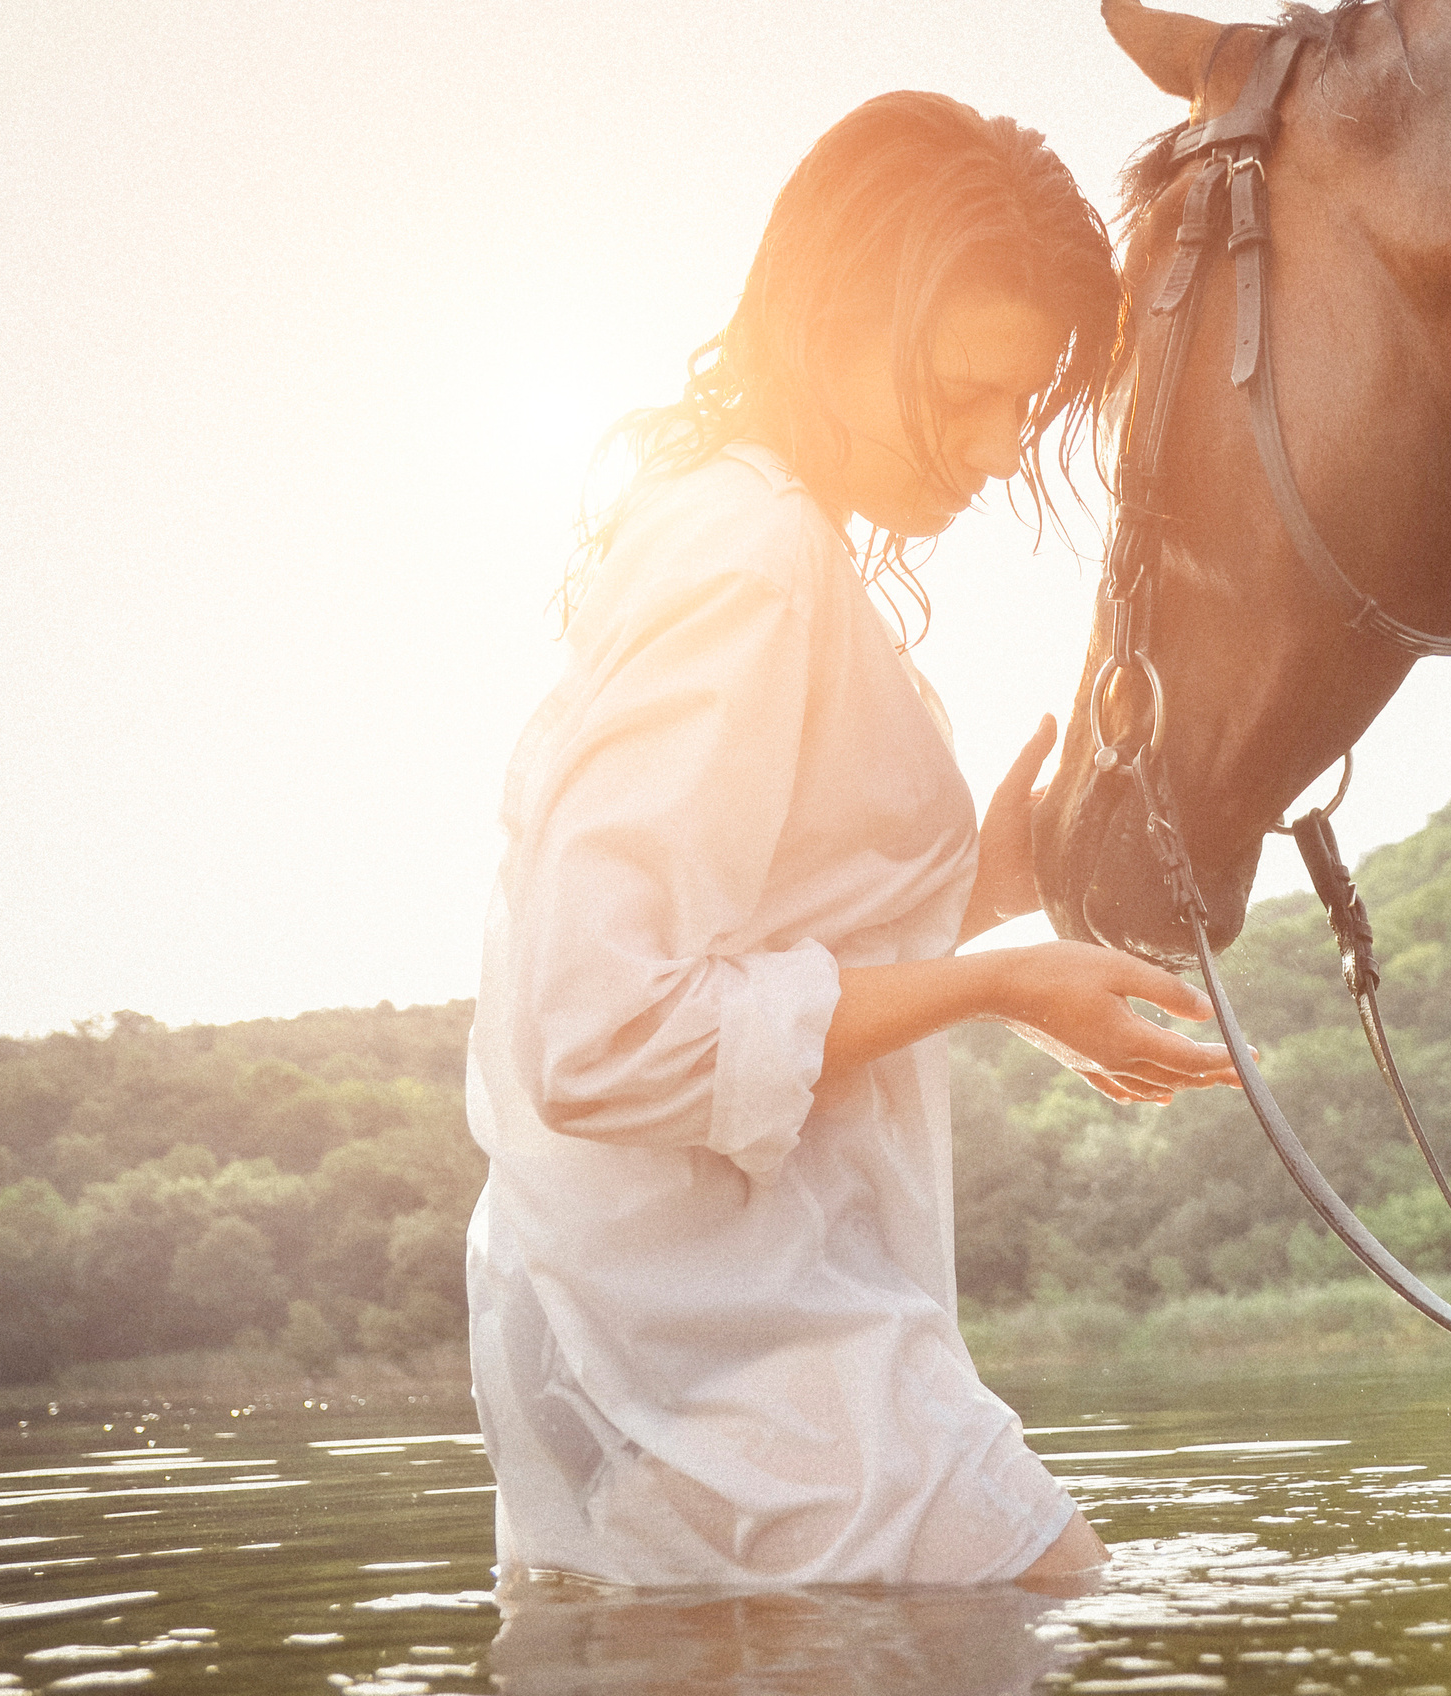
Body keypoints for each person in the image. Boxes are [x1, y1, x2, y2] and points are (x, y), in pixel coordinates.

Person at [462, 91, 1238, 1593]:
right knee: (1065, 1606)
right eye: (968, 394)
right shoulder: (747, 559)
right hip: (733, 1347)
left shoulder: (751, 529)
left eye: (1027, 404)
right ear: (838, 332)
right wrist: (1001, 985)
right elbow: (599, 1029)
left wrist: (993, 873)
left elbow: (756, 933)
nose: (1006, 451)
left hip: (719, 1327)